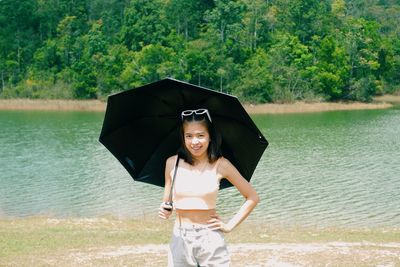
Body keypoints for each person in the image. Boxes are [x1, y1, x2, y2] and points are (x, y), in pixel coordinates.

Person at [158, 108, 260, 267]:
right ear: (183, 138)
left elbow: (252, 197)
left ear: (210, 136)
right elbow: (167, 202)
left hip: (210, 238)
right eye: (189, 136)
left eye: (200, 135)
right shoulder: (172, 163)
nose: (194, 142)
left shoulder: (221, 164)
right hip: (180, 237)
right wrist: (165, 208)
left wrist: (228, 226)